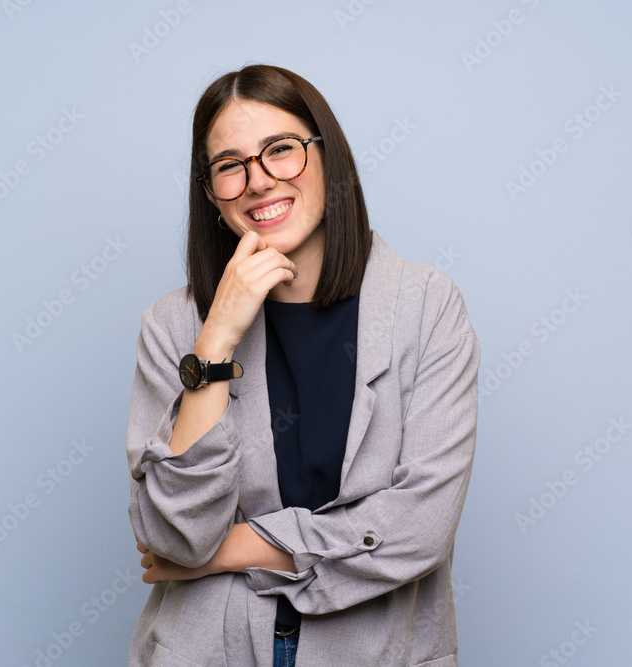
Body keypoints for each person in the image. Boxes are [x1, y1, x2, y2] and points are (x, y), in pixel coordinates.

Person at [126, 64, 480, 667]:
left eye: (281, 150)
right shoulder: (174, 324)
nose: (259, 181)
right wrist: (215, 343)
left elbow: (421, 529)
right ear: (211, 194)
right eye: (230, 165)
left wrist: (227, 551)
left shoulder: (427, 305)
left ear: (327, 157)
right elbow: (175, 535)